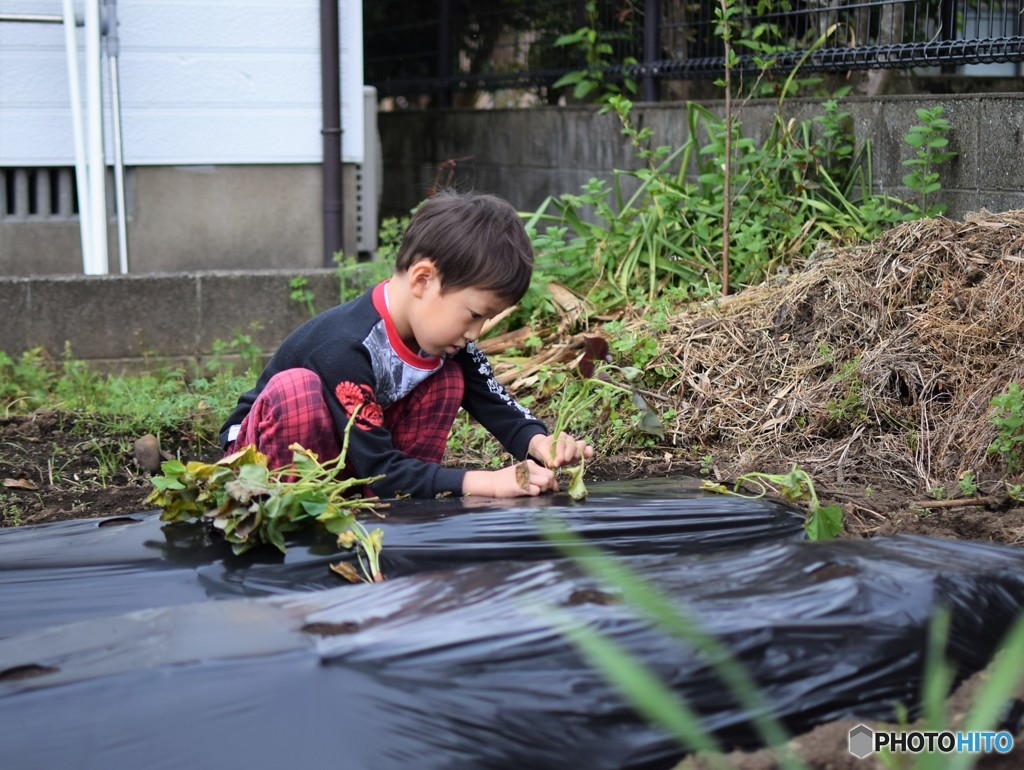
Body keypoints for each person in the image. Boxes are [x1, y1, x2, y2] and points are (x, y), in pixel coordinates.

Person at [219, 190, 593, 499]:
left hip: (351, 454)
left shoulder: (443, 342)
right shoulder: (346, 346)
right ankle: (294, 505)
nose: (477, 333)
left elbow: (494, 401)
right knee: (295, 390)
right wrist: (486, 482)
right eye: (475, 314)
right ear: (422, 280)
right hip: (259, 460)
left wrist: (540, 441)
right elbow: (376, 464)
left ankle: (394, 503)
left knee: (447, 379)